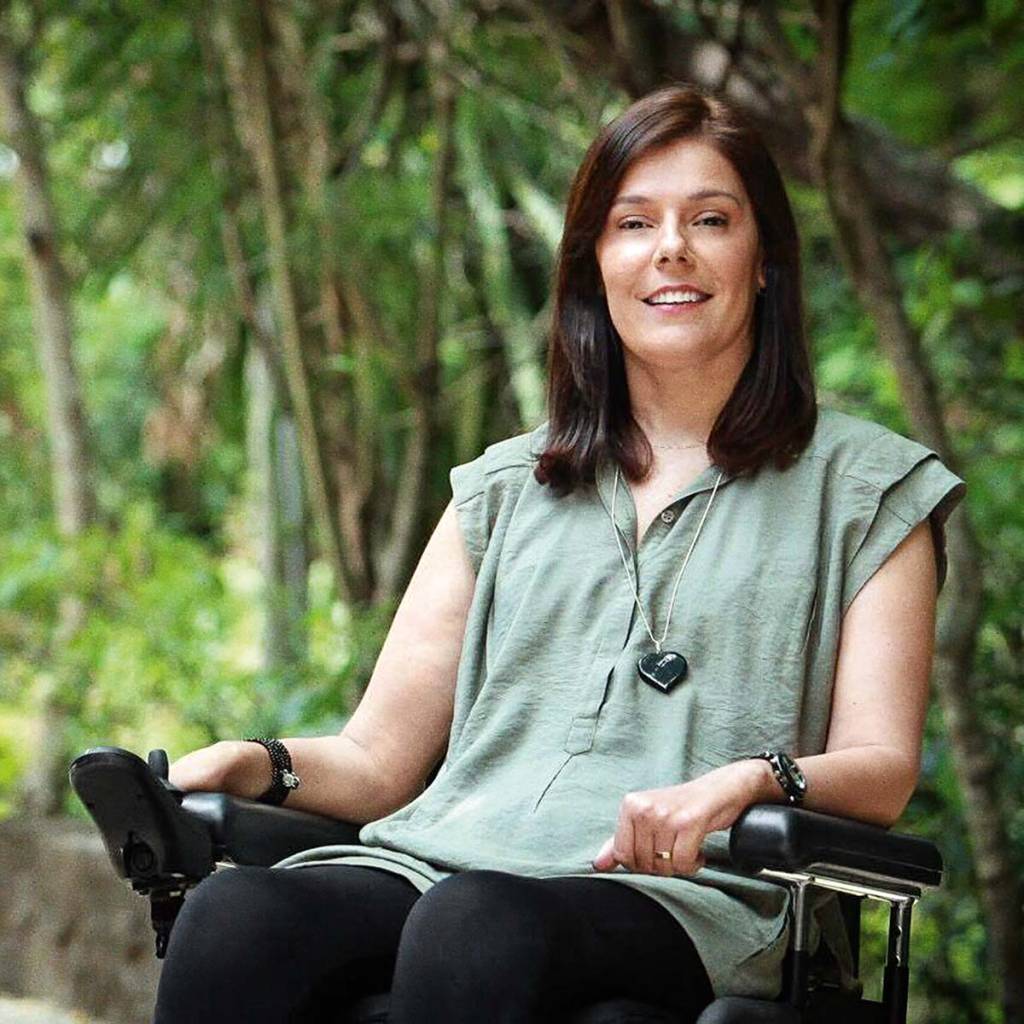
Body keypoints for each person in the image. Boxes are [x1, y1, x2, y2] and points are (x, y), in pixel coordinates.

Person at [153, 83, 965, 1024]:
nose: (672, 248)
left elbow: (882, 766)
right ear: (595, 264)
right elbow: (379, 760)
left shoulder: (867, 490)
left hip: (689, 894)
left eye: (711, 218)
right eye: (634, 223)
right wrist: (252, 762)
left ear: (765, 262)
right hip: (439, 857)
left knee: (478, 927)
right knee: (234, 916)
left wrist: (749, 781)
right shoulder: (503, 489)